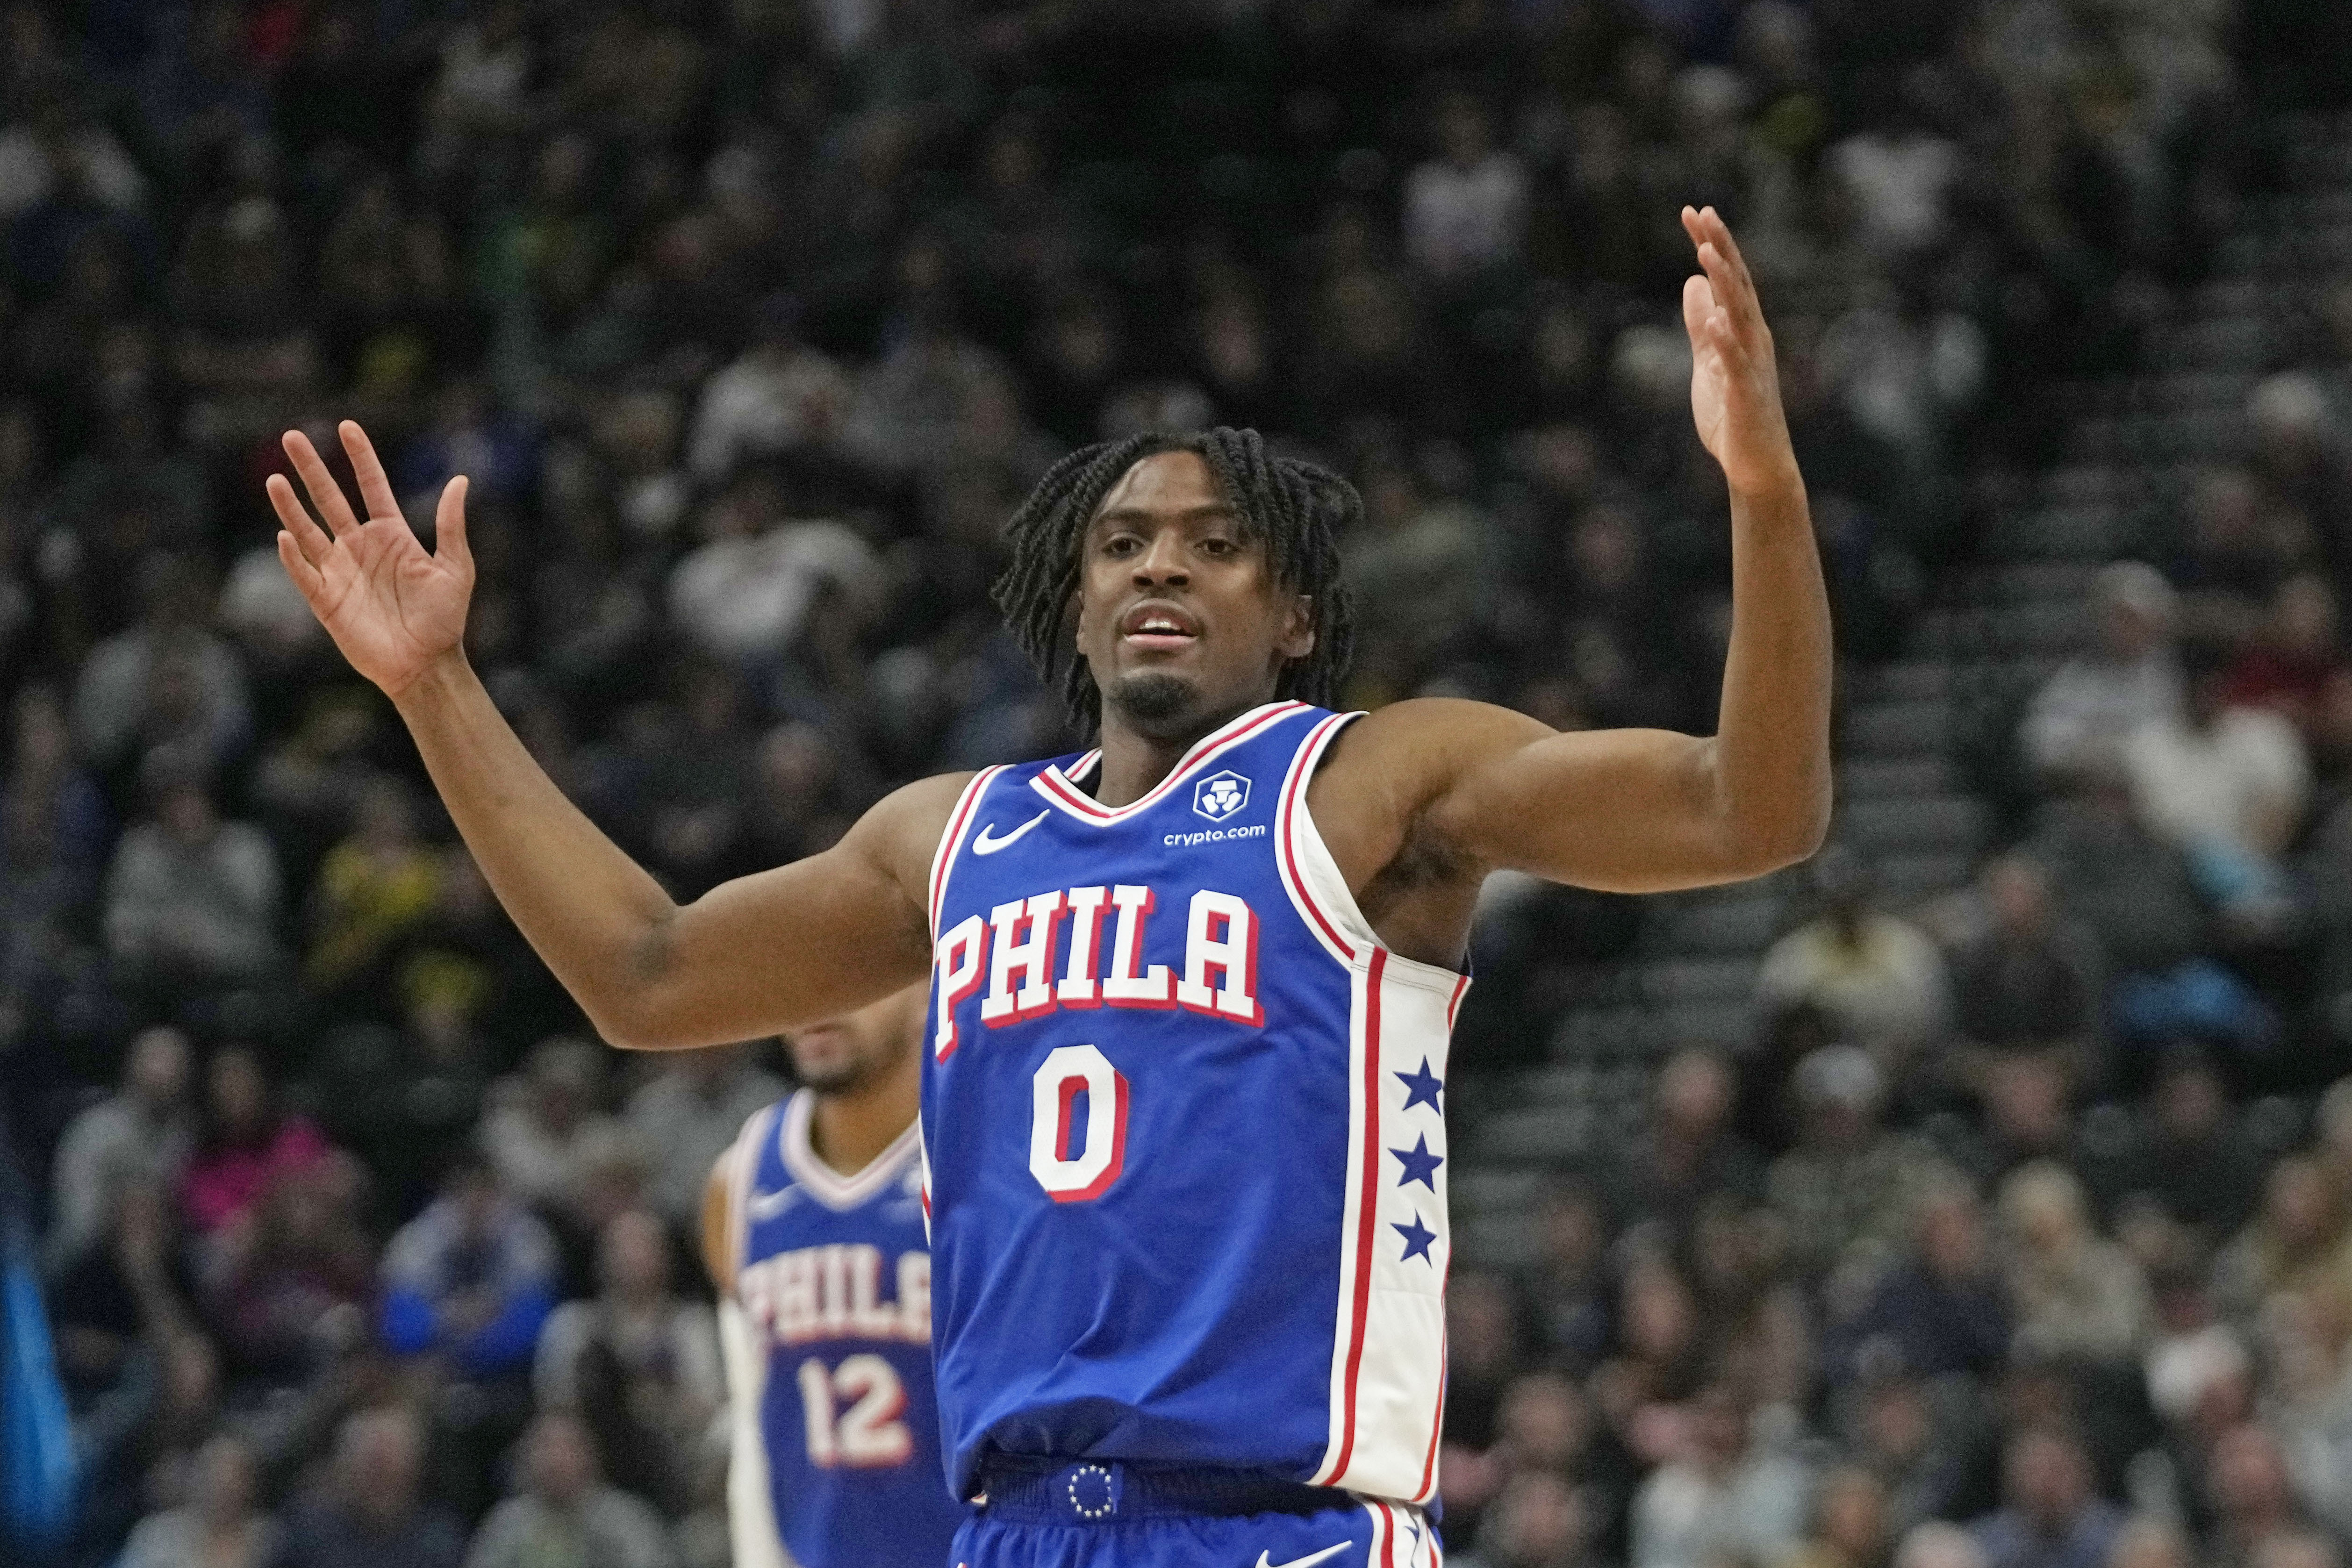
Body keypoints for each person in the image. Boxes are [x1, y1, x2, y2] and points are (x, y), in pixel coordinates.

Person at [267, 206, 1830, 1568]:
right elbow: (647, 974)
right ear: (1072, 611)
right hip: (1007, 1525)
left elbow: (1749, 808)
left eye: (1215, 545)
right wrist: (434, 687)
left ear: (1291, 610)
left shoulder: (1373, 785)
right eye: (1123, 544)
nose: (1159, 566)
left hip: (1282, 1521)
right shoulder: (952, 836)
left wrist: (1761, 490)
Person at [698, 980, 956, 1568]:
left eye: (854, 970)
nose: (819, 998)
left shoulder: (977, 1157)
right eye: (802, 972)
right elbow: (753, 1424)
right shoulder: (736, 1181)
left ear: (928, 989)